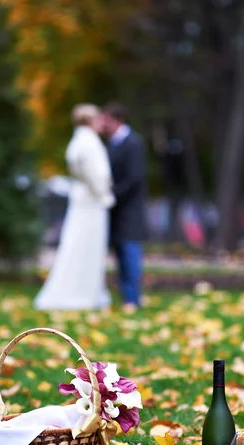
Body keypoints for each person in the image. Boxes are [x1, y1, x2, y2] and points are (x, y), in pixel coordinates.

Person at [34, 104, 115, 310]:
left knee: (77, 245)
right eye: (97, 119)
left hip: (82, 201)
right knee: (87, 247)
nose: (101, 123)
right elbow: (96, 175)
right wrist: (104, 195)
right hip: (91, 202)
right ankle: (81, 293)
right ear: (89, 121)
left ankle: (81, 291)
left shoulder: (77, 141)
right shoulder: (89, 143)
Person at [103, 102, 147, 312]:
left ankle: (133, 298)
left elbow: (134, 178)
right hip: (117, 212)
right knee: (120, 256)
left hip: (129, 211)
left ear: (116, 119)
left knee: (130, 256)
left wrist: (112, 196)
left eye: (106, 120)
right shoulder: (113, 144)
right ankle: (126, 297)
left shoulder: (133, 143)